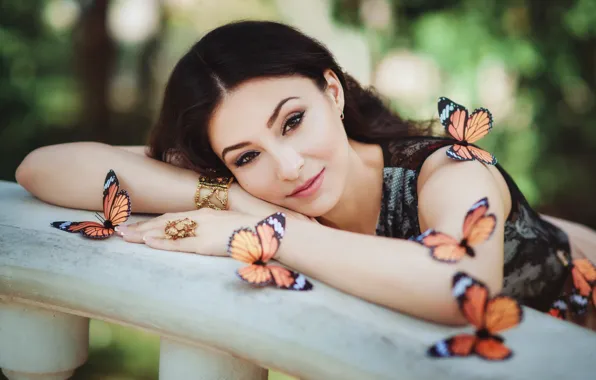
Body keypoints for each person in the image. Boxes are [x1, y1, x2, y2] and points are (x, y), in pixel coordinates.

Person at [15, 21, 596, 328]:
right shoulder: (241, 184)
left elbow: (460, 286)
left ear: (333, 91)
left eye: (292, 121)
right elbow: (42, 169)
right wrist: (224, 197)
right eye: (246, 156)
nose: (287, 167)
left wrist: (276, 228)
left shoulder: (444, 168)